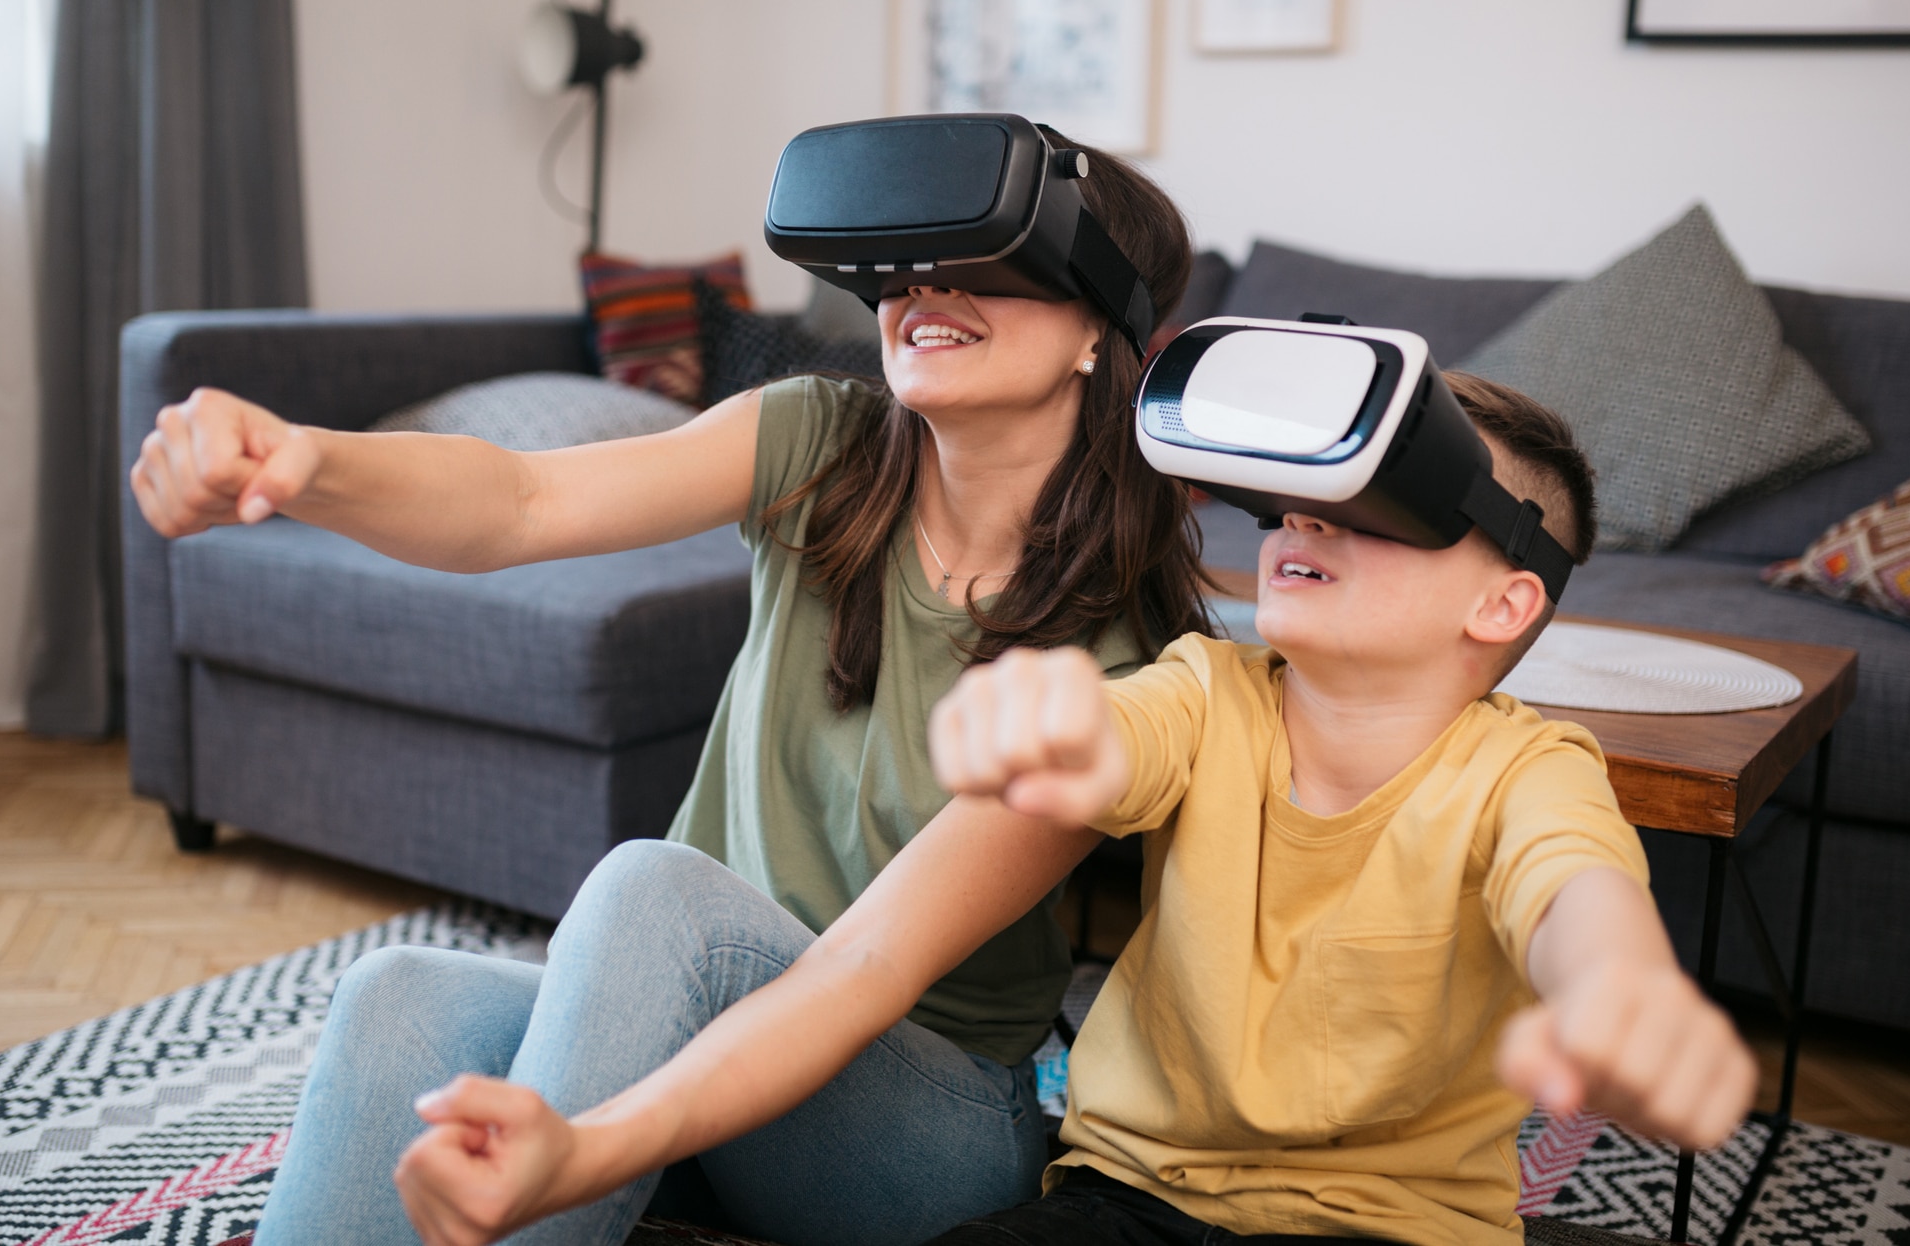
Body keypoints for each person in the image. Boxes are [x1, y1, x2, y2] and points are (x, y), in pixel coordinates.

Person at [126, 133, 1213, 1246]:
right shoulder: (818, 442)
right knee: (396, 994)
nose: (925, 287)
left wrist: (590, 1142)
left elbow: (864, 968)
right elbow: (521, 502)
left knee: (660, 894)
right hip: (709, 1057)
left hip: (918, 1124)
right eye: (907, 262)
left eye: (985, 260)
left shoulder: (1116, 674)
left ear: (1098, 328)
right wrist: (307, 464)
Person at [378, 375, 1757, 1246]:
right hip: (1126, 1202)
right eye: (1304, 488)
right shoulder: (1206, 689)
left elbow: (1575, 892)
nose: (1307, 518)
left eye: (1384, 499)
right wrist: (1046, 721)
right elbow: (1110, 735)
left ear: (1504, 599)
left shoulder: (1529, 771)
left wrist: (1620, 988)